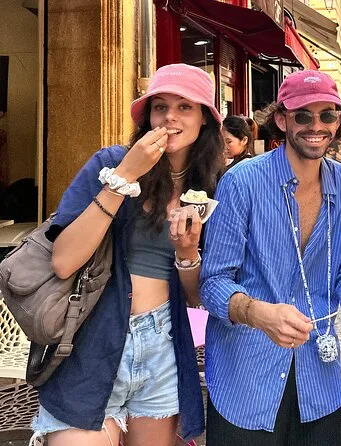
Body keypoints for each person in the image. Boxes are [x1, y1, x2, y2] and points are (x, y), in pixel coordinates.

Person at [30, 63, 223, 446]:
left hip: (164, 343)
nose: (170, 117)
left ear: (205, 118)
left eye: (185, 107)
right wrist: (123, 178)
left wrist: (187, 253)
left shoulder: (213, 187)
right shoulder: (110, 163)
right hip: (93, 339)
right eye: (160, 106)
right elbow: (64, 260)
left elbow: (196, 297)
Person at [200, 69, 341, 446]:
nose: (316, 126)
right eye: (303, 115)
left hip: (317, 375)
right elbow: (213, 282)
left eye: (327, 115)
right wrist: (258, 313)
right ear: (283, 120)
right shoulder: (241, 181)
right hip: (246, 374)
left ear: (338, 122)